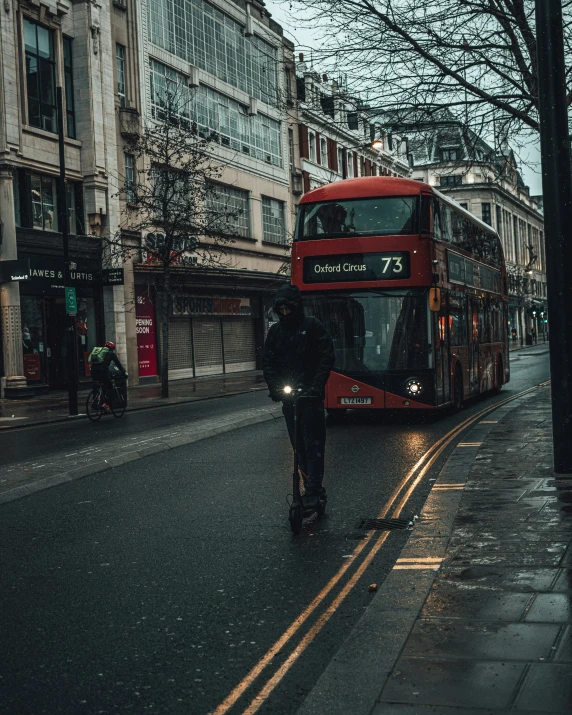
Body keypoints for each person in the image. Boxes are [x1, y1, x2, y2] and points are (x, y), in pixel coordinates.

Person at [263, 285, 335, 510]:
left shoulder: (312, 327)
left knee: (313, 445)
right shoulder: (276, 333)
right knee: (298, 447)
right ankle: (308, 487)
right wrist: (275, 388)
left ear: (296, 307)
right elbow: (268, 362)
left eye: (288, 308)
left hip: (311, 398)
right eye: (280, 309)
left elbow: (326, 357)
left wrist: (315, 386)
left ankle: (314, 490)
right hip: (290, 399)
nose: (284, 313)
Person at [88, 341, 128, 412]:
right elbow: (118, 364)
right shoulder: (111, 354)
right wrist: (124, 372)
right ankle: (106, 404)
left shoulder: (99, 352)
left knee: (98, 386)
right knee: (110, 386)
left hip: (93, 372)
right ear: (112, 348)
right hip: (102, 373)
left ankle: (95, 402)